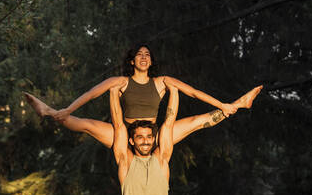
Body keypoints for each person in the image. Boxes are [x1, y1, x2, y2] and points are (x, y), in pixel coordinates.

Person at [24, 44, 262, 148]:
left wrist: (221, 103)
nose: (144, 56)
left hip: (153, 134)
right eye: (139, 54)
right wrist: (68, 109)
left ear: (150, 61)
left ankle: (239, 105)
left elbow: (193, 92)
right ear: (132, 61)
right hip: (122, 132)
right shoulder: (121, 81)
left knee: (197, 121)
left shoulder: (161, 82)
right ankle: (49, 111)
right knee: (83, 124)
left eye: (147, 54)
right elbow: (91, 93)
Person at [109, 79, 179, 195]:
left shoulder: (161, 160)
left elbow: (169, 123)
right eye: (140, 137)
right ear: (131, 141)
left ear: (154, 139)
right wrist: (114, 93)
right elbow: (119, 124)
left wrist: (174, 92)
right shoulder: (126, 162)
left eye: (148, 137)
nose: (145, 141)